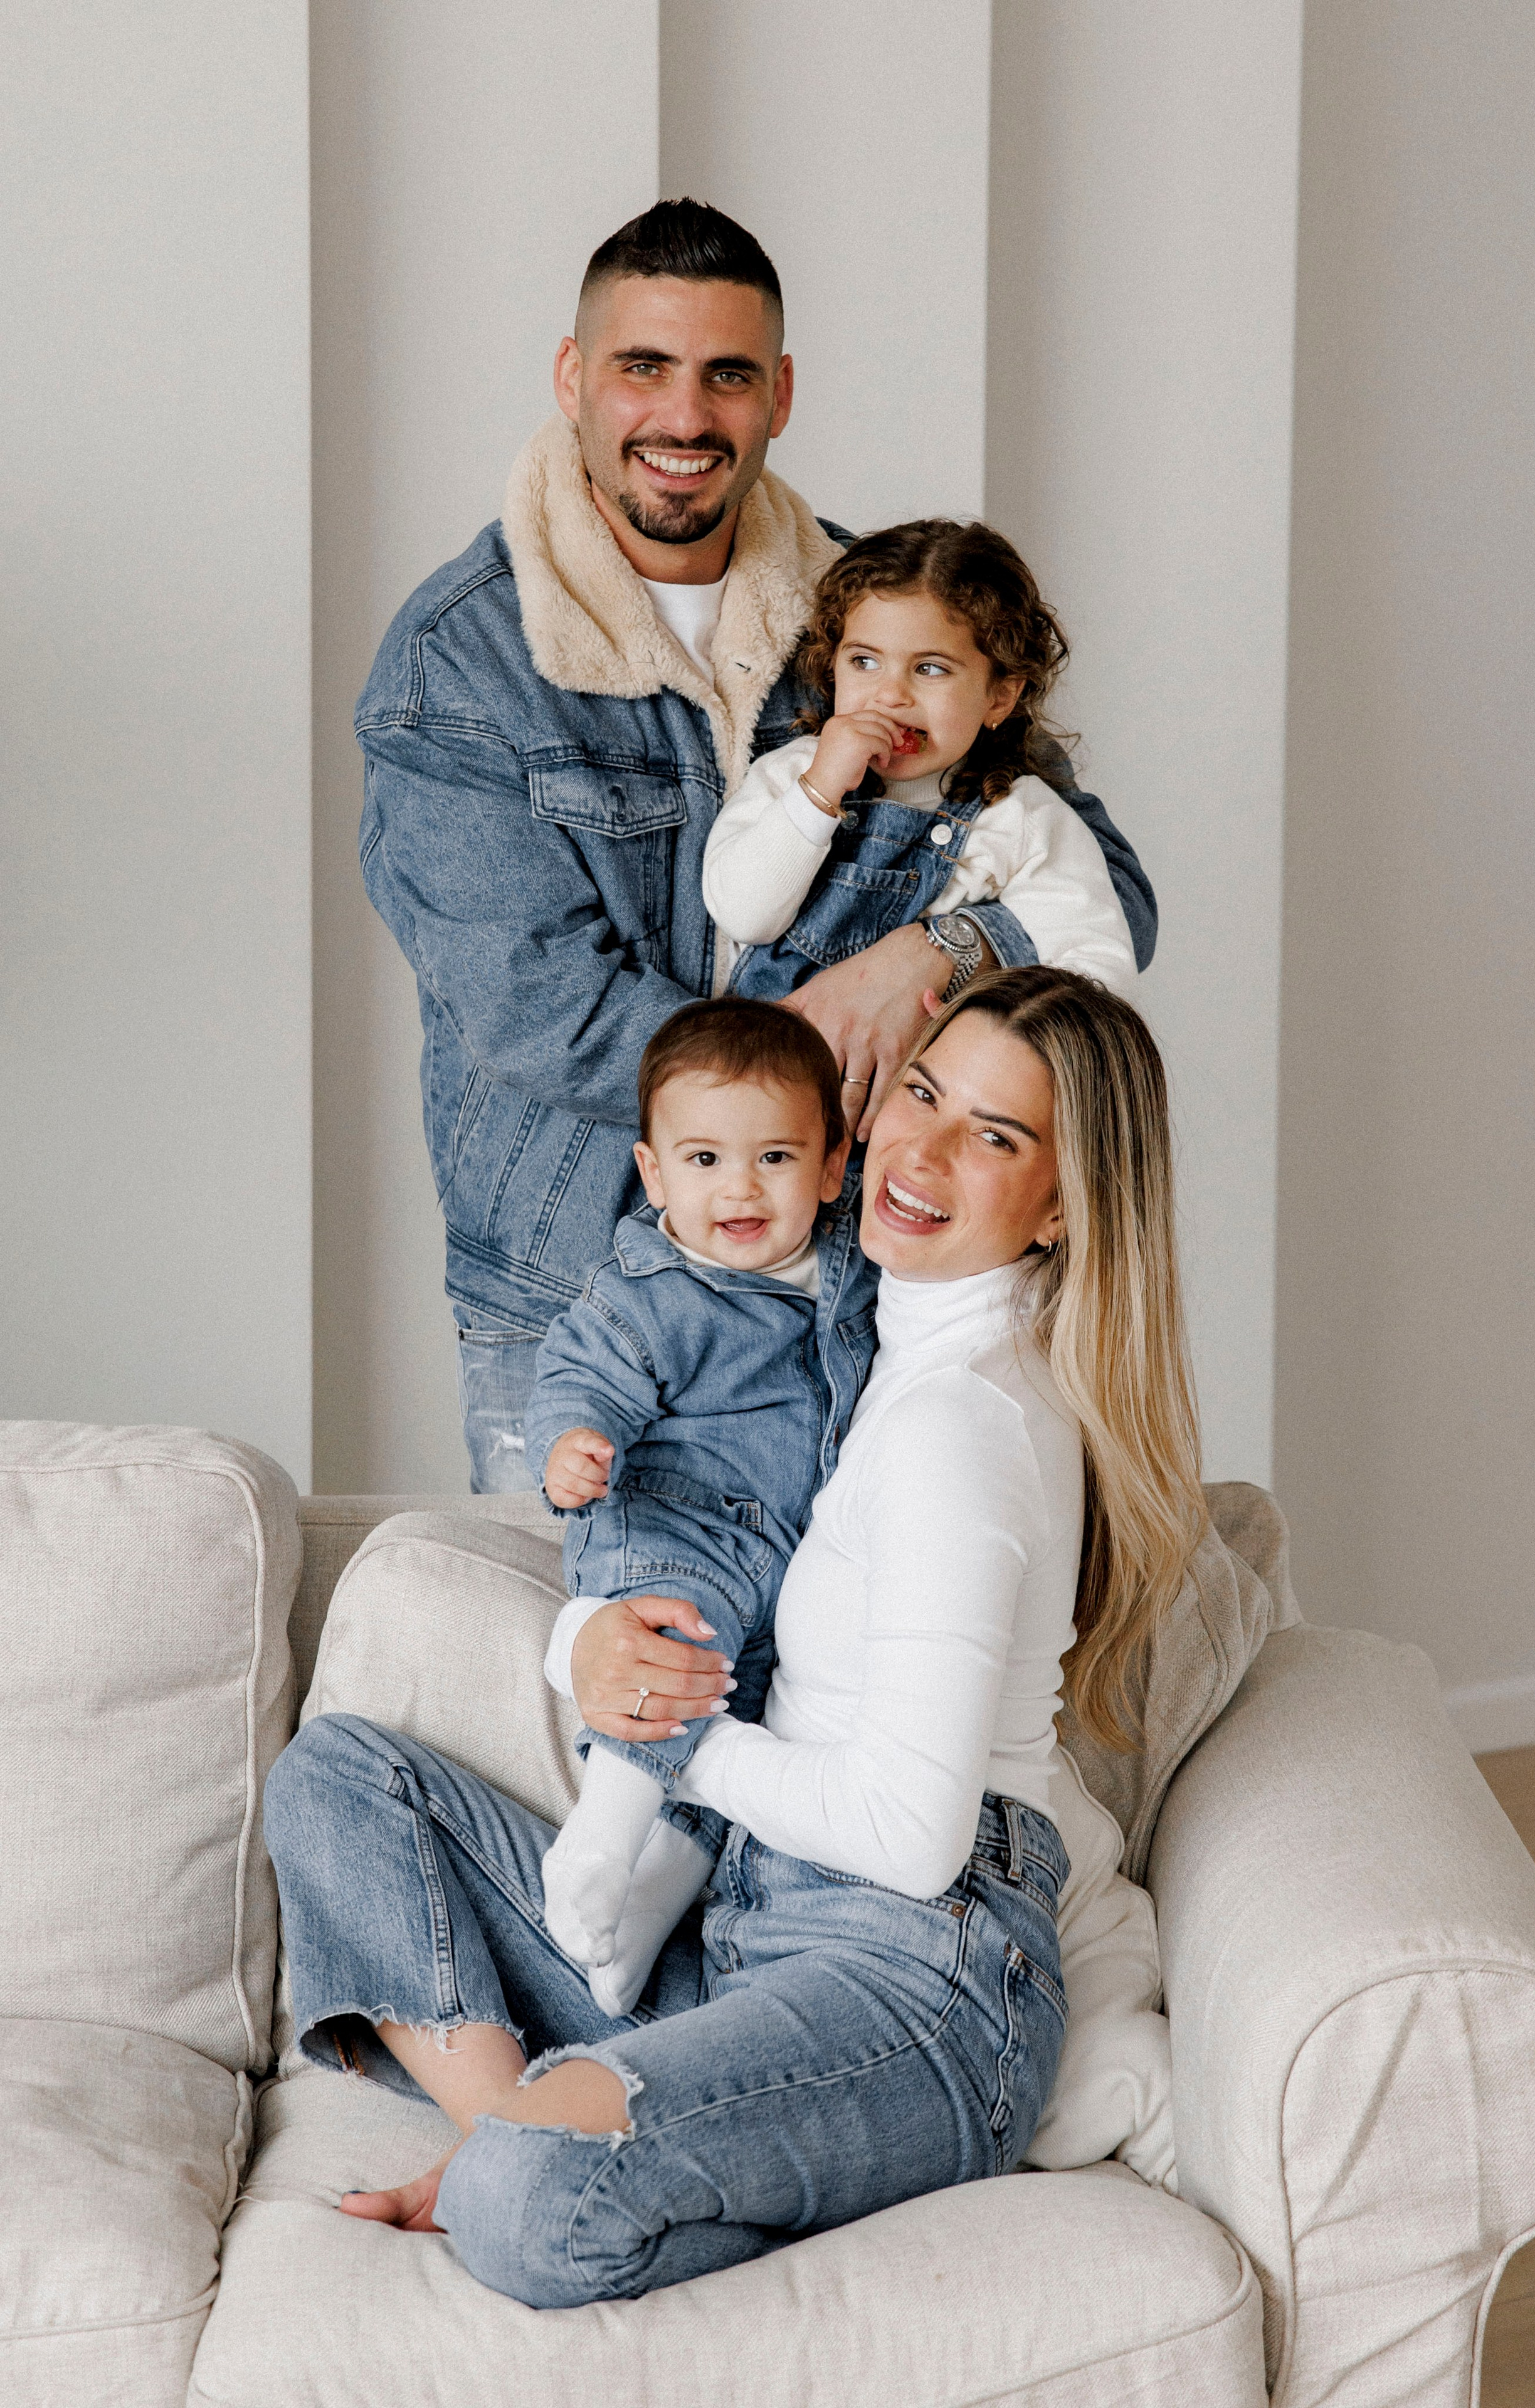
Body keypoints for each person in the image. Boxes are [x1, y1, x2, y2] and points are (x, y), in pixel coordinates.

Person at [263, 966, 1206, 2308]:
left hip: (912, 1981)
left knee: (530, 2205)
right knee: (341, 1776)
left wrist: (675, 1734)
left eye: (993, 1136)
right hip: (745, 1932)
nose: (921, 1152)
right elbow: (706, 1531)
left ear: (1062, 1204)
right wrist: (587, 1643)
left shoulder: (964, 1429)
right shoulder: (862, 1335)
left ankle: (518, 2163)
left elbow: (909, 1836)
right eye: (921, 1094)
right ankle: (503, 2135)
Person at [354, 197, 1156, 1491]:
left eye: (726, 374)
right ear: (574, 378)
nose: (683, 417)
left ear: (778, 393)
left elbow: (1103, 888)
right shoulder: (462, 662)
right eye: (641, 367)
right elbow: (534, 1012)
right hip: (580, 1292)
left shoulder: (880, 612)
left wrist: (928, 954)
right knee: (615, 1653)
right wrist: (794, 1072)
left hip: (875, 1265)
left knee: (859, 1650)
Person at [526, 998, 878, 2010]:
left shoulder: (854, 1272)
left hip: (788, 1563)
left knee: (756, 1727)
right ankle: (596, 1843)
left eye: (775, 1157)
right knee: (679, 1641)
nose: (740, 1188)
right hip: (671, 1530)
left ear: (830, 1165)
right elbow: (580, 1370)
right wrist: (573, 1443)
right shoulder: (650, 1287)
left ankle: (639, 1913)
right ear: (653, 1174)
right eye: (706, 1160)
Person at [707, 518, 1141, 1008]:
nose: (890, 695)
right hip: (773, 1069)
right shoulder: (795, 774)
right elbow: (741, 915)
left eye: (930, 668)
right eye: (864, 662)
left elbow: (1097, 968)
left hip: (933, 1077)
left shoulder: (1021, 819)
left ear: (999, 696)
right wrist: (817, 793)